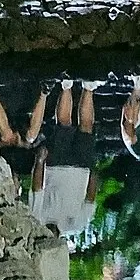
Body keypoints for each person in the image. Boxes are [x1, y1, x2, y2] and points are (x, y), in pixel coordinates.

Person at [28, 79, 105, 239]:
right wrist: (94, 173)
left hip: (55, 165)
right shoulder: (76, 227)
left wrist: (40, 161)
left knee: (63, 124)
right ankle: (88, 88)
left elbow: (37, 188)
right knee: (86, 127)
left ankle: (66, 86)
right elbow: (90, 199)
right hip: (82, 169)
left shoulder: (37, 218)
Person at [0, 84, 48, 179]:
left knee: (7, 136)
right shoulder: (28, 167)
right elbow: (39, 148)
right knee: (31, 136)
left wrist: (10, 142)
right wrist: (22, 143)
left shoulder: (1, 165)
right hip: (25, 129)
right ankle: (45, 92)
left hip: (9, 132)